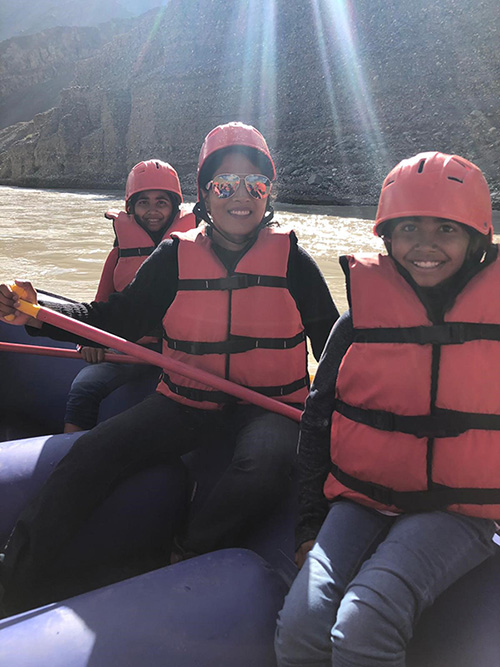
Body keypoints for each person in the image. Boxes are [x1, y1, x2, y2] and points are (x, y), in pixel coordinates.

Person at [0, 121, 339, 615]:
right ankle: (16, 577)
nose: (239, 196)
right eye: (224, 185)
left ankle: (189, 549)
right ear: (203, 194)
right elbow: (114, 318)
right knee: (91, 453)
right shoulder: (174, 257)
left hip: (268, 407)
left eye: (254, 184)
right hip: (184, 398)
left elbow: (330, 345)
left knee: (263, 465)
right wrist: (37, 316)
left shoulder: (293, 261)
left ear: (268, 193)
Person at [275, 151, 500, 667]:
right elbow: (318, 421)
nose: (425, 245)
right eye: (408, 228)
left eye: (446, 228)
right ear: (387, 238)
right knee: (300, 628)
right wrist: (309, 526)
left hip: (456, 511)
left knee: (365, 624)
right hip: (361, 500)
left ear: (476, 241)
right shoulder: (357, 324)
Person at [64, 159, 195, 433]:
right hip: (128, 349)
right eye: (143, 202)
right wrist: (90, 340)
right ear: (131, 208)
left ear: (174, 207)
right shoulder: (119, 253)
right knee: (84, 386)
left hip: (180, 354)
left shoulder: (196, 252)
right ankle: (72, 457)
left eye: (161, 202)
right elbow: (100, 305)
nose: (152, 211)